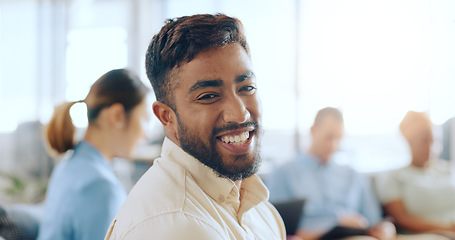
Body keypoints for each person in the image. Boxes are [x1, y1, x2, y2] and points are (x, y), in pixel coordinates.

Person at [105, 14, 286, 239]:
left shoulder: (262, 213)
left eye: (247, 88)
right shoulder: (174, 226)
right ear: (167, 118)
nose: (239, 113)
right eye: (209, 96)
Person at [38, 69, 150, 240]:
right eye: (143, 119)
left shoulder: (69, 165)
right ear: (117, 115)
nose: (145, 134)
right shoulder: (101, 187)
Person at [266, 107, 396, 240]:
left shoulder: (353, 175)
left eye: (338, 138)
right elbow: (276, 229)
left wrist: (386, 229)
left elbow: (375, 221)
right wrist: (334, 225)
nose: (333, 145)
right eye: (328, 137)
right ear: (313, 131)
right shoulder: (283, 173)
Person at [376, 111, 455, 239]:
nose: (431, 147)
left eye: (435, 140)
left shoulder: (448, 169)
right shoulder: (393, 176)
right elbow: (401, 218)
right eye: (424, 140)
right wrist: (447, 229)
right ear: (409, 141)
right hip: (425, 235)